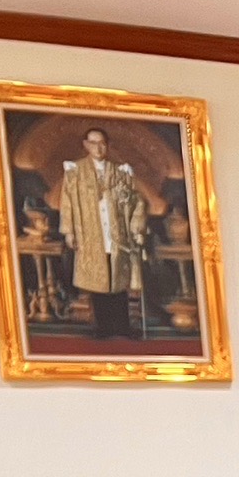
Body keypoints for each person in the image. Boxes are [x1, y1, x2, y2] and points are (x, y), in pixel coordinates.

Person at [60, 127, 147, 339]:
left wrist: (135, 227)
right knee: (98, 279)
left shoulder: (119, 171)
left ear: (106, 145)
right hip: (90, 232)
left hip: (116, 232)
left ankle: (123, 326)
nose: (98, 148)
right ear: (86, 145)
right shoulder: (75, 171)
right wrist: (69, 231)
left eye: (102, 143)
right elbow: (67, 203)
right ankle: (104, 326)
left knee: (117, 277)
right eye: (93, 143)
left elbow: (134, 200)